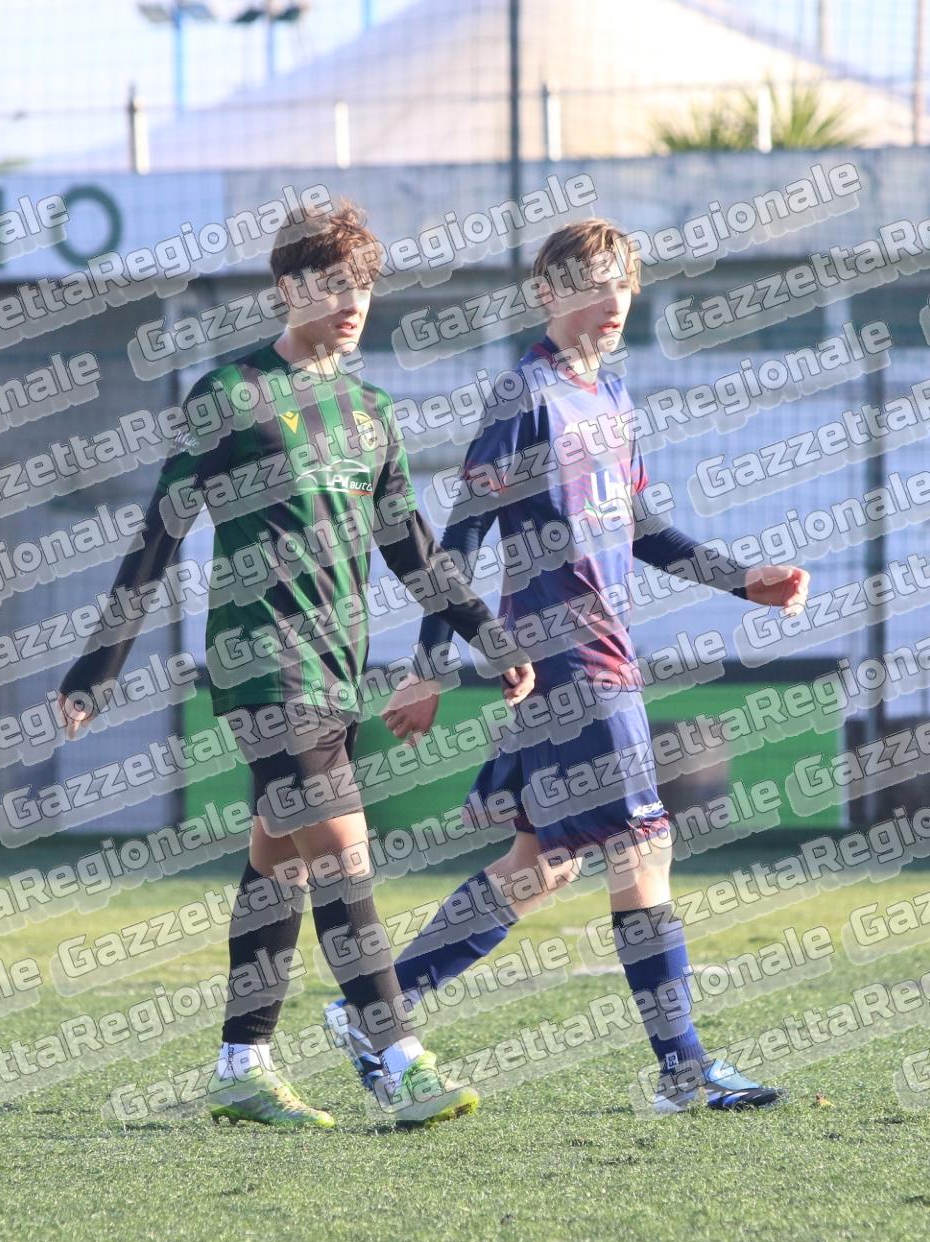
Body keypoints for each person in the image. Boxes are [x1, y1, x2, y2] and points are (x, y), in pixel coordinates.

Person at [57, 198, 533, 1128]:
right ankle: (398, 1058)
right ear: (287, 288)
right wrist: (97, 668)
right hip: (261, 668)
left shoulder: (371, 413)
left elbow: (412, 549)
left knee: (282, 864)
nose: (352, 303)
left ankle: (242, 1066)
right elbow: (159, 535)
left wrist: (487, 632)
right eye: (331, 285)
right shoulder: (229, 395)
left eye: (364, 286)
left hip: (334, 673)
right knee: (344, 852)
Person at [331, 218, 809, 1113]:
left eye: (622, 282)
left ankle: (372, 1012)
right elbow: (460, 536)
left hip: (596, 654)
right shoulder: (524, 395)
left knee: (543, 863)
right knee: (645, 844)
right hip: (568, 659)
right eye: (590, 281)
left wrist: (739, 579)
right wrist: (430, 663)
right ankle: (683, 1071)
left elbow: (640, 526)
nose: (611, 297)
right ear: (545, 293)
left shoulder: (612, 396)